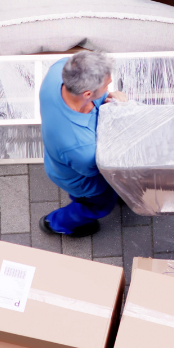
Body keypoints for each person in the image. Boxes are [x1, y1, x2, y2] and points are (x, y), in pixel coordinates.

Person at [38, 51, 126, 237]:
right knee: (97, 206)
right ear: (87, 93)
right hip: (84, 181)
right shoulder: (82, 149)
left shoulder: (60, 69)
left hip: (59, 160)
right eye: (107, 85)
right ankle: (57, 224)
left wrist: (109, 99)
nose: (109, 87)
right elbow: (102, 169)